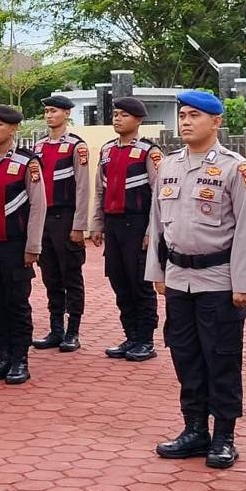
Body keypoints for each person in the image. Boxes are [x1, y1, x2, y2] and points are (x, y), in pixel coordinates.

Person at [146, 91, 246, 470]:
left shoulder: (234, 168)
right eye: (182, 115)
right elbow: (157, 224)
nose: (186, 122)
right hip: (179, 278)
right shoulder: (169, 165)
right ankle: (195, 429)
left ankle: (224, 435)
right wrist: (156, 272)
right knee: (186, 357)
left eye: (195, 115)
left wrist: (243, 283)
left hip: (218, 280)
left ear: (217, 121)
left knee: (221, 359)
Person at [0, 105, 46, 385]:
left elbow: (39, 206)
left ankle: (20, 359)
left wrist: (33, 246)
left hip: (15, 245)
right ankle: (3, 356)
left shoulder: (27, 163)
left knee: (16, 303)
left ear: (13, 129)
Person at [90, 97, 162, 361]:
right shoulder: (107, 150)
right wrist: (97, 223)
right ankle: (130, 335)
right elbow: (100, 189)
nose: (117, 118)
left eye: (124, 115)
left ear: (138, 120)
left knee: (140, 284)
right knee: (119, 282)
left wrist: (150, 232)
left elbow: (158, 194)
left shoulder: (148, 152)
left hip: (138, 224)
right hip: (114, 225)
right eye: (116, 114)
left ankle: (145, 339)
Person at [32, 95, 91, 352]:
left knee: (71, 276)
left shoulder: (76, 147)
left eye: (53, 111)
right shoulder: (39, 147)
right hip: (43, 218)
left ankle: (73, 331)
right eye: (46, 111)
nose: (49, 115)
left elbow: (83, 187)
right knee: (50, 276)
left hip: (65, 217)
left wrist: (79, 225)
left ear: (67, 114)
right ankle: (56, 328)